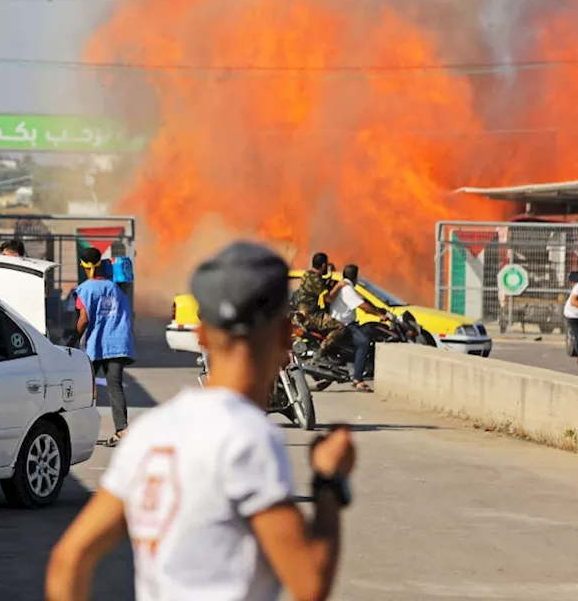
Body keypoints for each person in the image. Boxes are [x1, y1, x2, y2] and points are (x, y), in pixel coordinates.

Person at [46, 241, 354, 601]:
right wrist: (330, 481)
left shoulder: (151, 432)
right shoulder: (248, 437)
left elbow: (69, 559)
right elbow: (309, 582)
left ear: (202, 336)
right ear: (286, 336)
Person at [73, 247, 136, 447]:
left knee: (85, 388)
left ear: (83, 266)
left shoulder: (85, 289)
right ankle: (122, 430)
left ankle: (80, 433)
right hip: (118, 343)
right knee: (114, 386)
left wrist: (71, 341)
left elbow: (83, 320)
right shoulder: (116, 288)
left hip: (96, 345)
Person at [324, 264, 387, 391]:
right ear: (356, 277)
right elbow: (361, 305)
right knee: (363, 342)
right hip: (343, 325)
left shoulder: (347, 287)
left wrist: (376, 308)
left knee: (367, 330)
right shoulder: (347, 288)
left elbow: (361, 299)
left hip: (347, 323)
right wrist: (378, 314)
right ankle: (357, 379)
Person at [298, 252, 345, 353]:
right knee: (340, 327)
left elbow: (324, 285)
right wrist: (339, 285)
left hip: (306, 314)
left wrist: (330, 276)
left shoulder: (308, 275)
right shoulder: (315, 279)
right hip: (311, 316)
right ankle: (322, 352)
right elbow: (328, 298)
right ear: (323, 265)